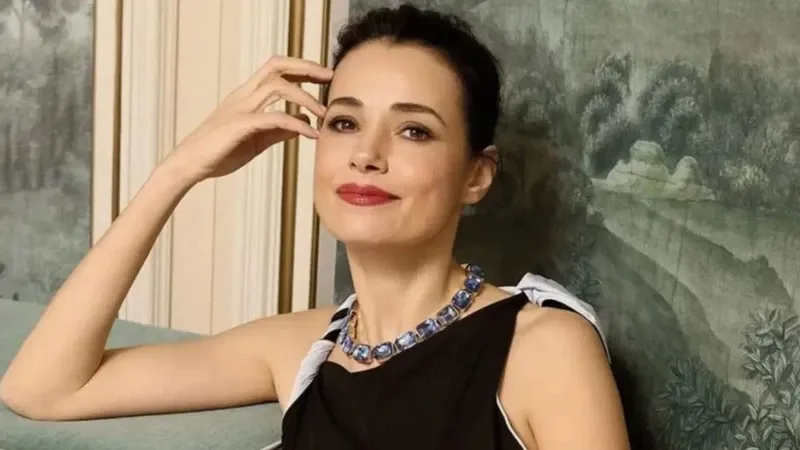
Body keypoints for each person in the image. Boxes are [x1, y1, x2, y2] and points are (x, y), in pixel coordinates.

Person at [0, 4, 629, 449]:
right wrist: (180, 169)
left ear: (476, 175)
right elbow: (43, 388)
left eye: (414, 130)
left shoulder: (543, 348)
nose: (367, 154)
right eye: (344, 123)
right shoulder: (301, 348)